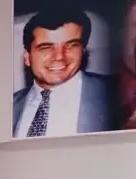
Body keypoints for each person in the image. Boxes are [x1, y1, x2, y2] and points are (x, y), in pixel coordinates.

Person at [13, 6, 114, 137]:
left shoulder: (115, 93)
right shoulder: (8, 107)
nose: (59, 56)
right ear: (27, 58)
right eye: (46, 47)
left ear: (83, 51)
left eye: (71, 45)